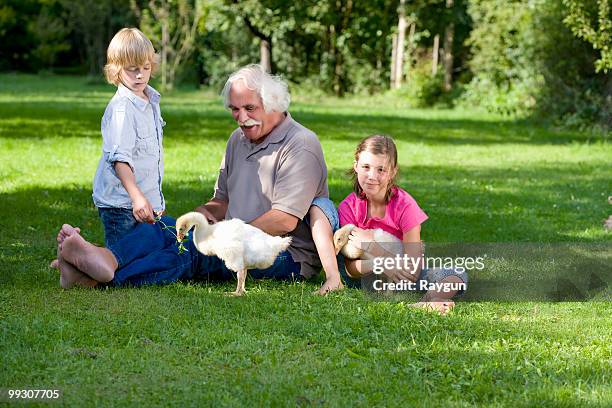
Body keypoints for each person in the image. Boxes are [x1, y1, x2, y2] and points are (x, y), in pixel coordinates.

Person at [53, 64, 343, 295]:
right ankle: (107, 259)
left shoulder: (301, 144)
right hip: (236, 234)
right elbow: (222, 201)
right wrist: (202, 215)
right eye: (234, 109)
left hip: (282, 252)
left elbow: (284, 220)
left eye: (249, 108)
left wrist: (225, 234)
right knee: (165, 227)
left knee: (195, 252)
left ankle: (98, 280)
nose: (241, 118)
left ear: (274, 103)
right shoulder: (238, 139)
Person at [336, 135, 467, 314]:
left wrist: (378, 251)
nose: (372, 176)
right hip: (364, 275)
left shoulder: (405, 205)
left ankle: (429, 301)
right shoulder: (348, 207)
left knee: (456, 274)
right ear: (356, 166)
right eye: (366, 167)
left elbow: (413, 268)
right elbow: (351, 269)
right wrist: (383, 263)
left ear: (392, 172)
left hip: (403, 275)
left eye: (381, 169)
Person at [93, 27, 165, 246]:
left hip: (144, 203)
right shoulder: (122, 109)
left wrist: (154, 200)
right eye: (132, 69)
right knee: (123, 268)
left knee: (146, 256)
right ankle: (75, 258)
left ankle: (82, 257)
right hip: (121, 205)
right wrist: (137, 198)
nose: (141, 74)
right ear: (116, 70)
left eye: (146, 67)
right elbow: (120, 159)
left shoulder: (150, 100)